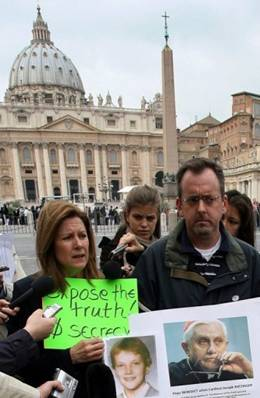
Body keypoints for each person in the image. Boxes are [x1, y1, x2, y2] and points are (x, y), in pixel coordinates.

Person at [6, 201, 115, 398]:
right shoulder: (28, 291)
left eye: (82, 236)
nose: (79, 244)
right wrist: (69, 357)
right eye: (67, 237)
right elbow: (20, 368)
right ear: (50, 245)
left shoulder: (107, 285)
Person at [132, 158, 260, 311]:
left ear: (224, 204)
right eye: (193, 200)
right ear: (180, 206)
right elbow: (136, 326)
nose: (201, 209)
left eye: (209, 199)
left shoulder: (251, 261)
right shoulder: (153, 260)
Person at [99, 185, 161, 275]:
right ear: (127, 216)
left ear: (157, 218)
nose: (144, 224)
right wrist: (117, 257)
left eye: (150, 218)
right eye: (138, 217)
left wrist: (142, 253)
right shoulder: (110, 249)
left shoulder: (165, 248)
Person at [169, 320, 253, 385]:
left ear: (226, 345)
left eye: (218, 341)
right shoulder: (171, 374)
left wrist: (250, 372)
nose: (212, 350)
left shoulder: (237, 371)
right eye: (203, 342)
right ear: (186, 348)